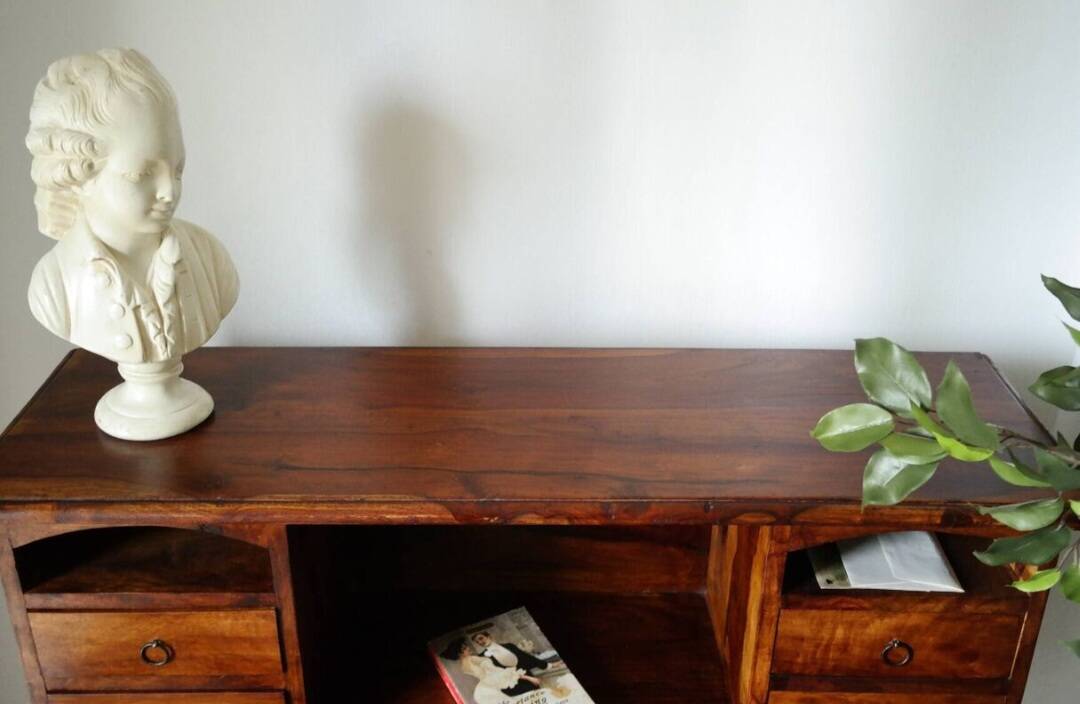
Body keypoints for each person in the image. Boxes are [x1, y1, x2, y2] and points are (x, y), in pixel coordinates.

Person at [25, 48, 238, 365]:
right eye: (142, 174)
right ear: (81, 172)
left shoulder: (211, 260)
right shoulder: (54, 287)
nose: (170, 191)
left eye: (178, 169)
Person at [439, 637, 541, 702]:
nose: (469, 648)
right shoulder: (472, 659)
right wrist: (528, 678)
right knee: (533, 692)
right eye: (465, 648)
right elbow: (498, 673)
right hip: (502, 683)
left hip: (494, 686)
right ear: (460, 653)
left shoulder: (463, 666)